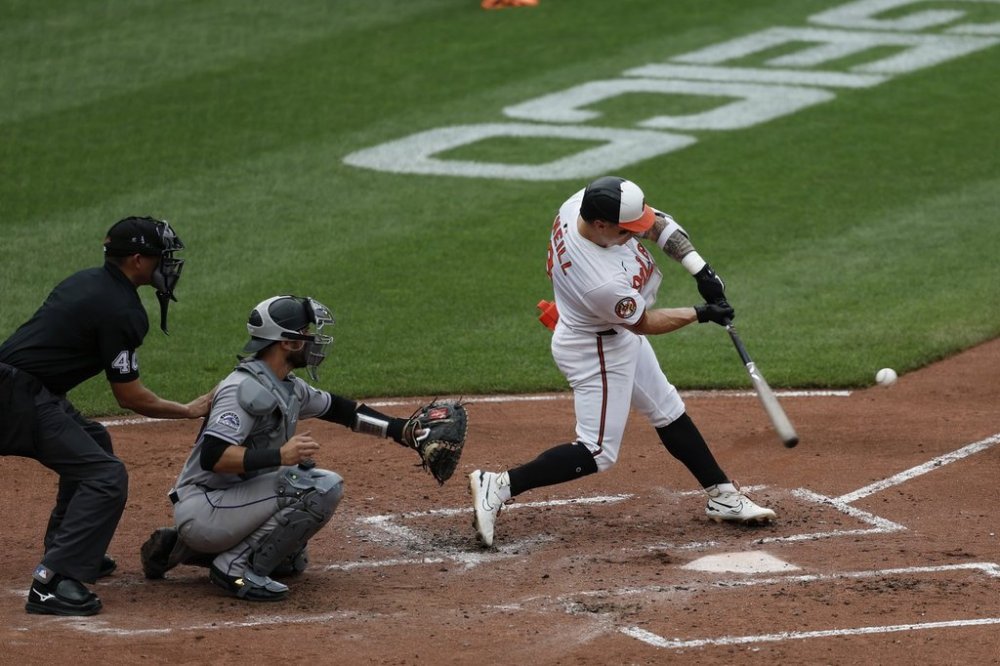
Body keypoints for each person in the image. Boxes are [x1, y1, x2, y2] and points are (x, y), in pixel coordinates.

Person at [469, 176, 776, 547]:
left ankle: (723, 495)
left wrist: (702, 270)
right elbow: (645, 322)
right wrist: (701, 313)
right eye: (626, 231)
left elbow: (657, 224)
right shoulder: (598, 281)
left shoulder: (580, 205)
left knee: (667, 409)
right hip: (596, 349)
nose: (636, 235)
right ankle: (498, 485)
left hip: (615, 334)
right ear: (600, 225)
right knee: (596, 452)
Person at [140, 295, 429, 601]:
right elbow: (214, 456)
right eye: (306, 333)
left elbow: (343, 411)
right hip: (206, 507)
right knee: (317, 487)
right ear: (287, 343)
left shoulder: (286, 385)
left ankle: (182, 549)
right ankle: (232, 568)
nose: (314, 341)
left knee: (290, 561)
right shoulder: (242, 389)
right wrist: (280, 456)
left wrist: (401, 431)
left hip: (230, 505)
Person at [0, 216, 212, 616]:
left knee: (95, 441)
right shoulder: (121, 309)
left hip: (24, 390)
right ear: (136, 259)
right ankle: (53, 582)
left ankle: (70, 548)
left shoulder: (87, 281)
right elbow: (129, 396)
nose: (167, 266)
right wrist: (186, 410)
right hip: (17, 398)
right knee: (105, 476)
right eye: (160, 258)